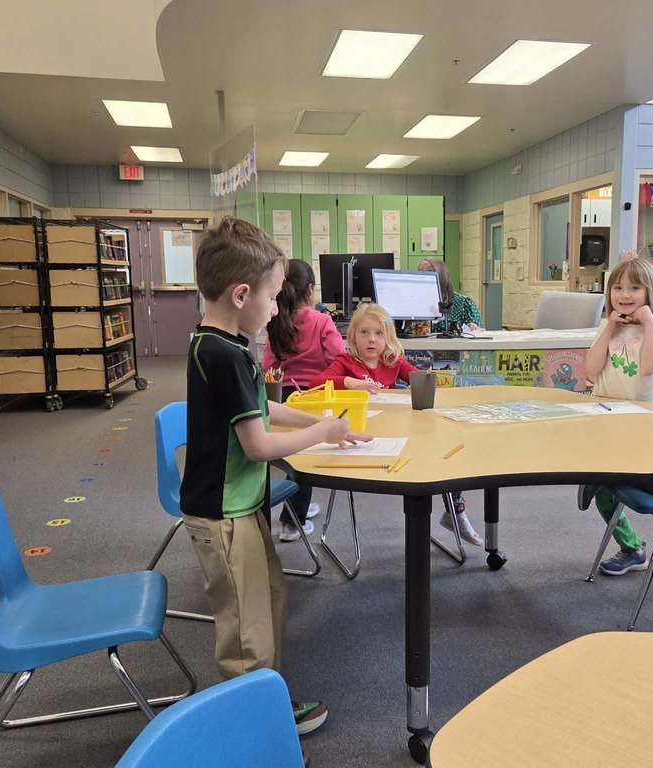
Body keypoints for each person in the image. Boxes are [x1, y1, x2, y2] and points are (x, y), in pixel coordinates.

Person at [179, 217, 370, 751]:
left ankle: (265, 696)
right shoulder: (221, 352)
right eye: (271, 295)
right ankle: (249, 726)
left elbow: (264, 410)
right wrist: (322, 433)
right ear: (242, 294)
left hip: (243, 505)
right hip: (222, 514)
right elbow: (258, 446)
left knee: (270, 597)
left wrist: (322, 424)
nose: (276, 307)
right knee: (245, 626)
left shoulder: (230, 342)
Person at [309, 302, 484, 545]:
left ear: (388, 337)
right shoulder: (346, 361)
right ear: (353, 336)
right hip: (362, 439)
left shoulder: (392, 361)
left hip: (396, 434)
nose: (372, 340)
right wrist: (349, 382)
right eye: (364, 333)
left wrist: (428, 381)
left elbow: (418, 378)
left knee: (442, 448)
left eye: (379, 334)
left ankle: (455, 511)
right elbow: (315, 383)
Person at [581, 254, 653, 576]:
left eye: (634, 288)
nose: (624, 295)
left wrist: (650, 324)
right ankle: (632, 548)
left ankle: (608, 478)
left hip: (641, 422)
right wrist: (610, 327)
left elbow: (647, 366)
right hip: (605, 418)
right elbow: (590, 370)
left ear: (650, 293)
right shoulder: (607, 325)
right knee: (603, 496)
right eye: (617, 288)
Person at [263, 259, 346, 542]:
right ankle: (291, 520)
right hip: (314, 396)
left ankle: (296, 505)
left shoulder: (276, 320)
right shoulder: (322, 320)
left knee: (293, 457)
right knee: (306, 459)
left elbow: (267, 366)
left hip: (282, 399)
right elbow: (339, 358)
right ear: (310, 291)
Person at [419, 257, 483, 334]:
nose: (425, 275)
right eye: (421, 271)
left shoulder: (463, 303)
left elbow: (480, 332)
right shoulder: (416, 302)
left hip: (454, 345)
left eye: (430, 271)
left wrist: (472, 327)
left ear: (442, 274)